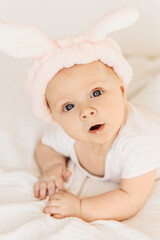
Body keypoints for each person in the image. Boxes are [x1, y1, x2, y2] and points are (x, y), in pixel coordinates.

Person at [0, 6, 160, 222]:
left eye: (96, 93)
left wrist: (81, 207)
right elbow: (45, 145)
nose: (86, 111)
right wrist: (53, 166)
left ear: (122, 90)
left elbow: (130, 198)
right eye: (68, 106)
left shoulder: (138, 142)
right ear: (54, 116)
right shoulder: (70, 134)